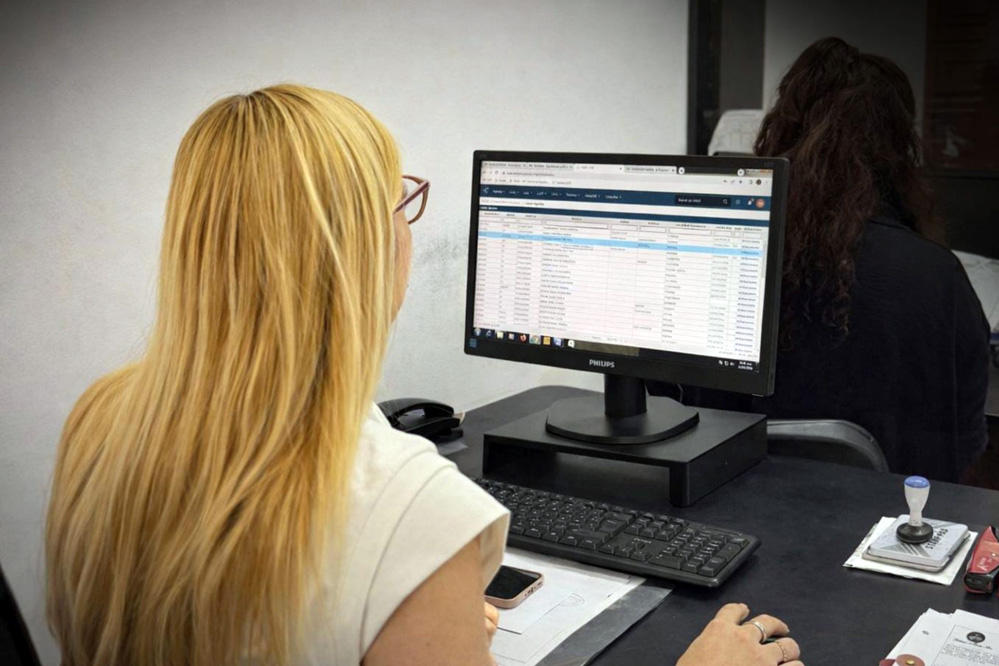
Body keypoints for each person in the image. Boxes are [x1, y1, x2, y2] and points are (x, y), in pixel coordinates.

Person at [45, 85, 802, 666]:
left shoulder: (102, 419)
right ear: (361, 249)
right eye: (398, 201)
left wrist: (421, 620)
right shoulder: (412, 508)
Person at [655, 37, 990, 483]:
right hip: (887, 517)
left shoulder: (720, 259)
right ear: (899, 147)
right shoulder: (937, 276)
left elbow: (664, 404)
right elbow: (962, 448)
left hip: (723, 500)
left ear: (783, 131)